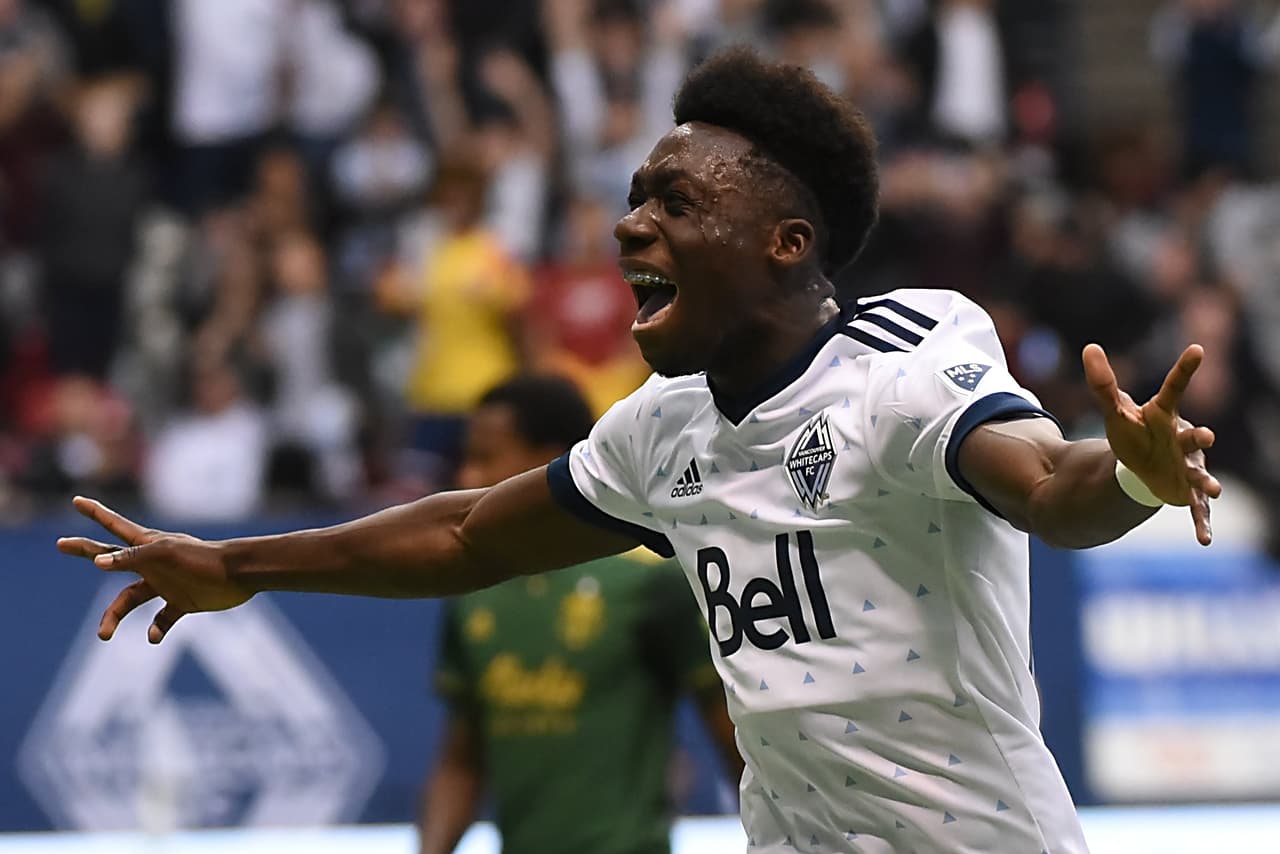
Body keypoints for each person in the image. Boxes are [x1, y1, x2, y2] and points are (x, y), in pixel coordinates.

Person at [58, 49, 1221, 854]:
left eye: (671, 199)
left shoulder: (908, 358)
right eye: (631, 198)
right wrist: (238, 568)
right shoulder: (662, 431)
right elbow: (464, 530)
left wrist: (1128, 472)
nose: (629, 225)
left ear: (784, 241)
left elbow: (1043, 483)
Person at [418, 374, 741, 854]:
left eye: (485, 458)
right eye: (465, 459)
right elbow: (461, 762)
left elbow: (736, 738)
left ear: (547, 462)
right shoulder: (472, 594)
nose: (465, 477)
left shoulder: (651, 580)